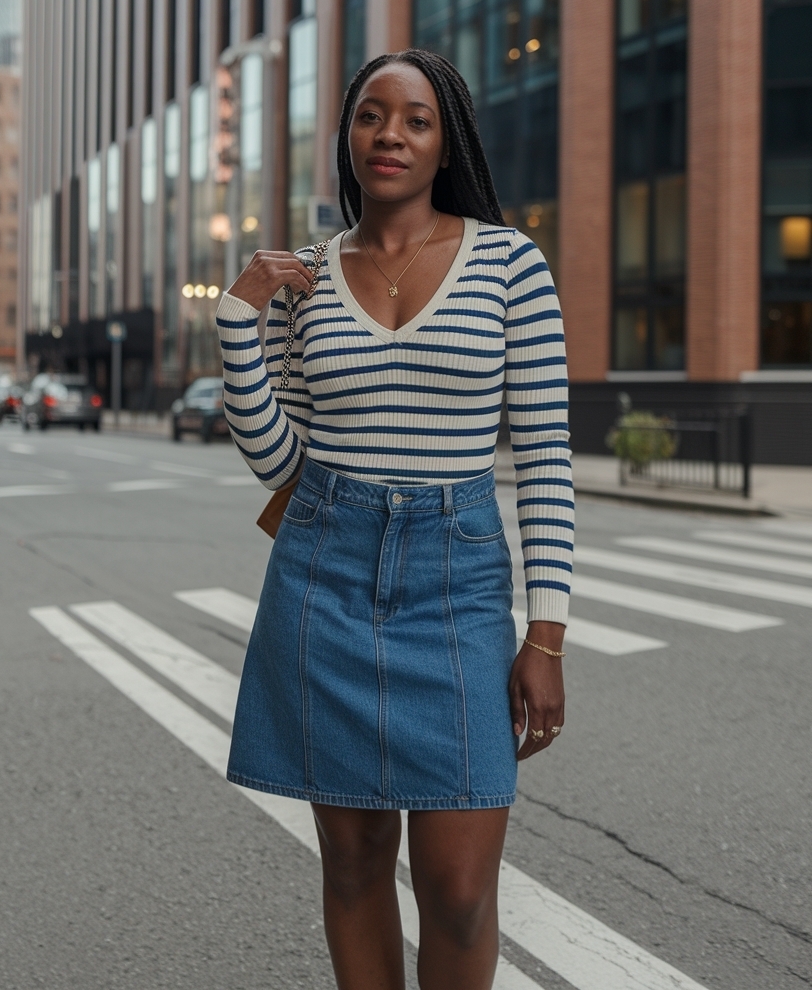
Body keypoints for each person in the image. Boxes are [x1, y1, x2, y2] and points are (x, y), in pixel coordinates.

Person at [216, 49, 573, 990]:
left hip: (454, 587)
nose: (391, 135)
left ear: (444, 139)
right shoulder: (305, 275)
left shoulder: (510, 265)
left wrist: (546, 635)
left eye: (416, 119)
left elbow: (543, 458)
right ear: (348, 134)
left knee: (457, 887)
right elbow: (279, 463)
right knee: (355, 861)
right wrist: (237, 325)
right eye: (372, 115)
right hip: (323, 570)